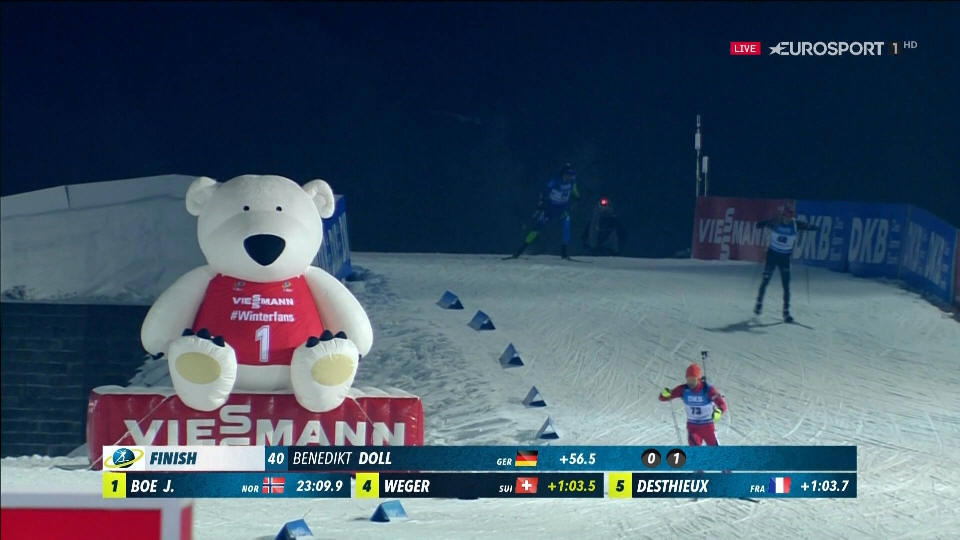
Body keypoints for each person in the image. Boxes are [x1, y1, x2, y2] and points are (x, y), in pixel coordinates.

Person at [753, 205, 819, 322]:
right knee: (766, 280)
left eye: (790, 216)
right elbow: (762, 224)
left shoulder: (796, 224)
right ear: (783, 215)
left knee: (786, 286)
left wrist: (814, 228)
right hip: (772, 255)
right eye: (786, 216)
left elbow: (809, 227)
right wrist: (760, 225)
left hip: (784, 258)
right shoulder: (775, 222)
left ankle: (786, 312)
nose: (788, 219)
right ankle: (759, 303)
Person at [507, 162, 581, 259]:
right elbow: (544, 193)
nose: (569, 177)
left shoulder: (572, 182)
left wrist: (577, 198)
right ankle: (519, 251)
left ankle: (564, 253)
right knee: (537, 228)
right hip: (550, 209)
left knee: (566, 226)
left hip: (562, 209)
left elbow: (575, 191)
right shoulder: (554, 182)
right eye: (567, 174)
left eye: (570, 175)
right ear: (563, 174)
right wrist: (540, 205)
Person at [658, 363, 728, 446]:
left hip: (708, 427)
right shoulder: (683, 389)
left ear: (698, 379)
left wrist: (719, 411)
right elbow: (663, 398)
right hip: (693, 428)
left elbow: (722, 404)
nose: (690, 383)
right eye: (688, 380)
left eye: (693, 380)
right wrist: (664, 394)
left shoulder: (707, 389)